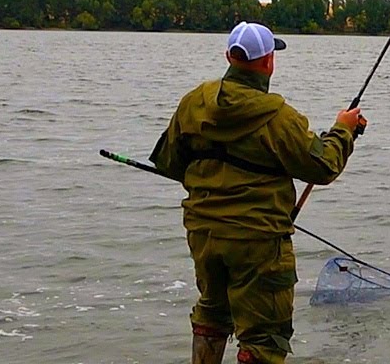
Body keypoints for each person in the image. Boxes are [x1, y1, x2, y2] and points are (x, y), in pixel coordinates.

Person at [150, 21, 367, 364]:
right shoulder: (279, 118)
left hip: (203, 234)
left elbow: (169, 163)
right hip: (259, 242)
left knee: (212, 314)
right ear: (268, 62)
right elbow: (323, 166)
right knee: (265, 338)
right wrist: (344, 130)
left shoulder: (192, 103)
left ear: (228, 57)